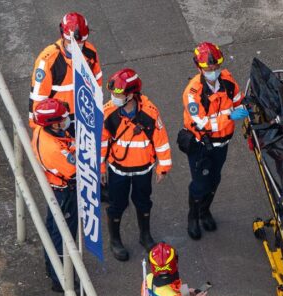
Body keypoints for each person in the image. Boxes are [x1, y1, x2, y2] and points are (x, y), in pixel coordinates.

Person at [179, 42, 248, 240]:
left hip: (221, 144)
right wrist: (230, 117)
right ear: (199, 67)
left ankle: (205, 210)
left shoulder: (227, 81)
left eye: (216, 67)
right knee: (200, 184)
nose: (214, 71)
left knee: (215, 179)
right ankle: (193, 217)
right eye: (209, 68)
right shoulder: (193, 93)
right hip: (201, 145)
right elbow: (202, 123)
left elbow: (238, 101)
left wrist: (246, 107)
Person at [101, 68, 172, 260]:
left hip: (143, 170)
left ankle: (145, 236)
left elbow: (161, 140)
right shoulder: (108, 113)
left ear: (131, 94)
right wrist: (100, 168)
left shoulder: (150, 113)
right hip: (118, 171)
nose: (114, 97)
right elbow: (101, 142)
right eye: (113, 93)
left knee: (143, 202)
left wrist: (163, 167)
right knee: (117, 204)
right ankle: (115, 240)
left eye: (118, 94)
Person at [31, 98, 77, 293]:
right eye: (63, 118)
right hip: (64, 192)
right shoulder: (54, 150)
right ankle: (61, 278)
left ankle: (52, 269)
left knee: (52, 229)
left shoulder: (42, 132)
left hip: (55, 188)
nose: (67, 120)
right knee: (63, 235)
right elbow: (75, 169)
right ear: (53, 123)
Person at [29, 12, 101, 129]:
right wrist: (38, 130)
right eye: (72, 42)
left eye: (80, 43)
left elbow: (97, 81)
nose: (77, 46)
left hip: (84, 116)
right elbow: (37, 99)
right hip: (59, 121)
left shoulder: (90, 52)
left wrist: (96, 109)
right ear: (62, 35)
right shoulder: (47, 60)